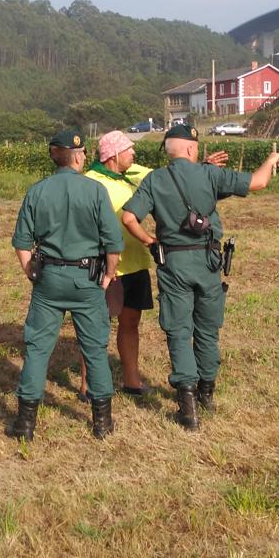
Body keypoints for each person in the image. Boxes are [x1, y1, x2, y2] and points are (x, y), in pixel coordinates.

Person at [121, 124, 279, 431]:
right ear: (190, 149)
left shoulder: (155, 179)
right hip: (208, 262)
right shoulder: (210, 175)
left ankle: (187, 405)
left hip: (172, 263)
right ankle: (207, 392)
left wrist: (150, 242)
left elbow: (129, 217)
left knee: (178, 331)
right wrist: (271, 159)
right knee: (208, 329)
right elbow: (259, 182)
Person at [79, 129, 228, 400]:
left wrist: (203, 168)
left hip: (135, 263)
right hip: (106, 266)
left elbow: (172, 179)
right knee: (96, 325)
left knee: (131, 322)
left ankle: (132, 380)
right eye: (129, 150)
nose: (134, 153)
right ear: (113, 155)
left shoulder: (133, 174)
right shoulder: (90, 182)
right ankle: (88, 384)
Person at [8, 129, 123, 441]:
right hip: (88, 279)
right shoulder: (96, 191)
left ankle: (25, 425)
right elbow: (113, 244)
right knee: (95, 348)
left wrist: (30, 271)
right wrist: (108, 276)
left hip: (49, 279)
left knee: (37, 349)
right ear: (77, 155)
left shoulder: (37, 191)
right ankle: (102, 423)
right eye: (83, 152)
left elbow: (21, 242)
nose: (84, 156)